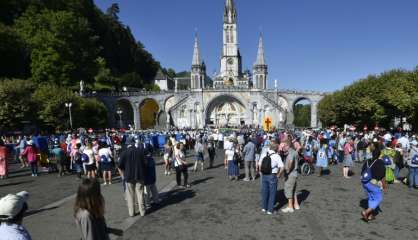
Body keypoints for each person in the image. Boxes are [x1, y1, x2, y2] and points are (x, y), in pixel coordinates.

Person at [118, 137, 148, 217]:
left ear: (127, 144)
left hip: (128, 175)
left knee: (130, 195)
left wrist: (123, 174)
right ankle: (142, 211)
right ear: (134, 143)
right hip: (139, 175)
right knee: (140, 193)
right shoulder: (140, 151)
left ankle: (131, 212)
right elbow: (145, 163)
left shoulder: (124, 152)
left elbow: (120, 165)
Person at [360, 143, 387, 222]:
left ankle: (370, 215)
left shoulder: (367, 161)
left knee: (371, 198)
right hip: (373, 183)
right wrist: (384, 185)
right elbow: (382, 175)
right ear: (379, 155)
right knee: (378, 198)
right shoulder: (380, 163)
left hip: (365, 182)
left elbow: (362, 172)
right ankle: (366, 212)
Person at [259, 143, 284, 215]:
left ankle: (264, 207)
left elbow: (260, 164)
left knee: (264, 192)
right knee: (272, 193)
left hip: (264, 175)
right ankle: (270, 210)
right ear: (276, 149)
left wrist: (261, 172)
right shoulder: (277, 156)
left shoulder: (264, 154)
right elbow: (282, 167)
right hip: (272, 175)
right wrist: (279, 174)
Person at [282, 139, 300, 213]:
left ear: (287, 145)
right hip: (295, 173)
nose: (283, 147)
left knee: (288, 190)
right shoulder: (295, 152)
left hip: (291, 174)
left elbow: (291, 161)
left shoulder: (290, 153)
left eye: (284, 146)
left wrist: (287, 170)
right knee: (293, 190)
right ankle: (296, 204)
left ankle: (290, 207)